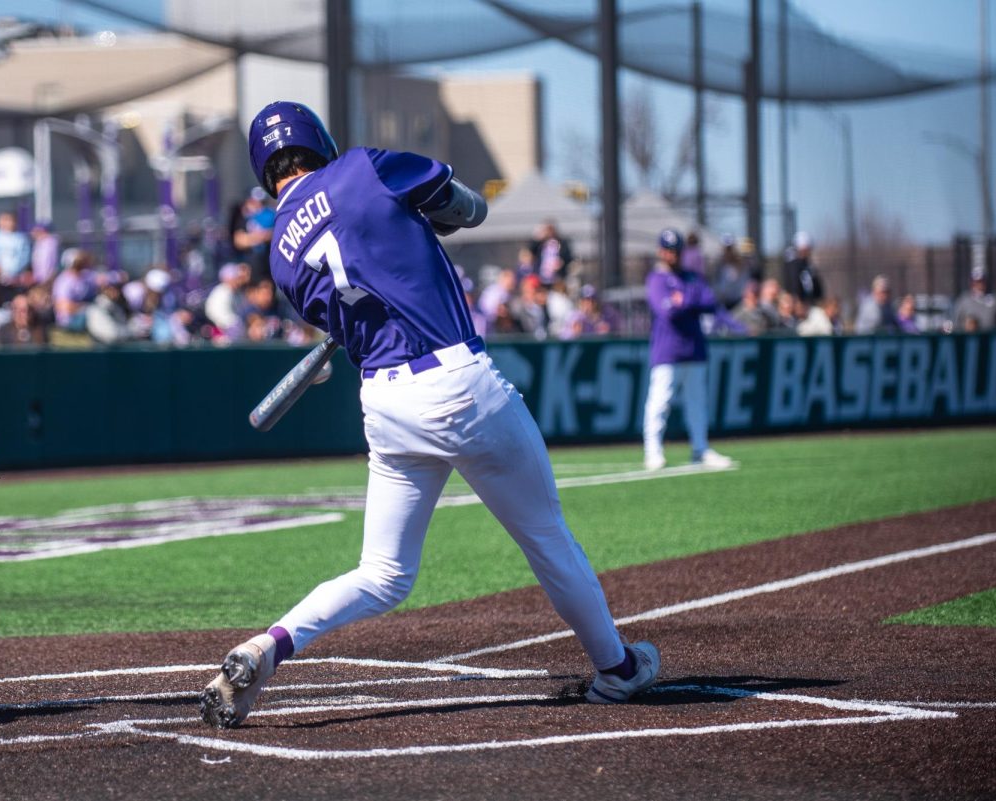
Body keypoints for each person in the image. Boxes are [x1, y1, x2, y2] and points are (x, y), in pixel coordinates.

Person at [201, 101, 659, 730]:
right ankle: (618, 669)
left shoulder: (280, 252)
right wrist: (424, 219)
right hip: (457, 381)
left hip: (386, 404)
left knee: (382, 574)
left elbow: (351, 315)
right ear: (319, 141)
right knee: (546, 536)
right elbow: (470, 207)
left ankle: (268, 646)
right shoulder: (363, 167)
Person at [643, 228, 734, 471]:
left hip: (694, 349)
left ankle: (700, 449)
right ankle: (653, 451)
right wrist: (689, 302)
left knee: (697, 403)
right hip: (667, 351)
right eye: (667, 250)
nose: (671, 255)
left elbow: (709, 302)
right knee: (660, 402)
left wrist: (685, 300)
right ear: (660, 252)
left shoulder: (692, 277)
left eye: (675, 251)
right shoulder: (656, 279)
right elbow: (667, 311)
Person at [0, 212, 31, 289]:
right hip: (0, 277)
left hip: (18, 278)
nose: (5, 223)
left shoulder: (21, 238)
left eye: (8, 220)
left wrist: (18, 273)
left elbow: (25, 257)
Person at [783, 231, 824, 305]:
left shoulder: (807, 265)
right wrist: (797, 299)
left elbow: (816, 286)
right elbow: (793, 283)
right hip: (799, 303)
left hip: (809, 301)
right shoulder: (793, 264)